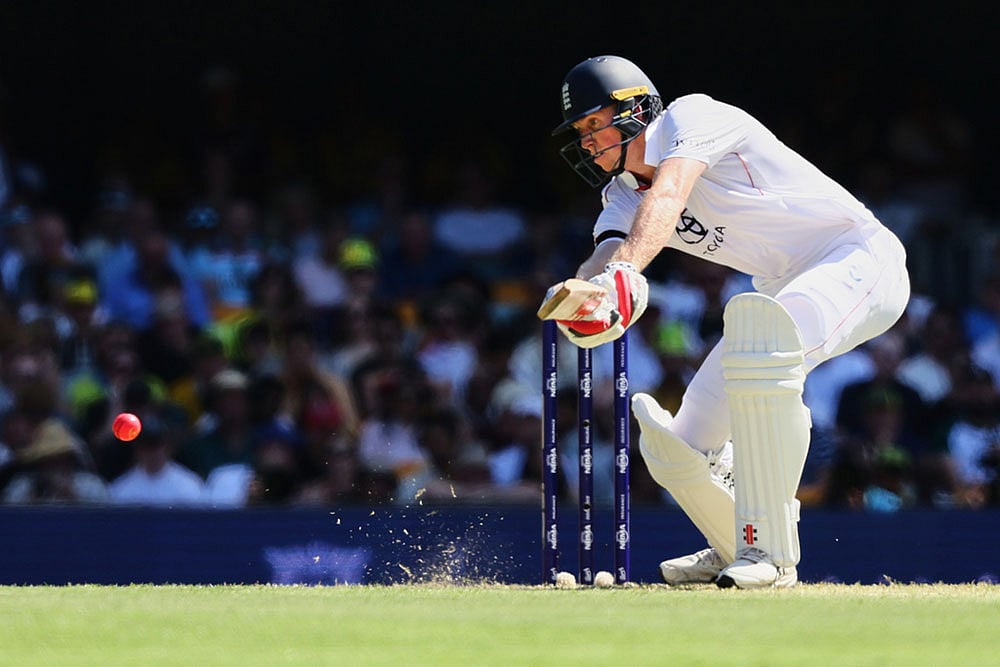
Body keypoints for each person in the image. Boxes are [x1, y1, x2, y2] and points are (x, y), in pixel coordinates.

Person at [546, 55, 910, 588]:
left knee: (763, 347)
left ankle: (771, 554)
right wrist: (587, 296)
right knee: (681, 446)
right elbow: (606, 253)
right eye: (580, 132)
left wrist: (625, 271)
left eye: (594, 123)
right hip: (784, 288)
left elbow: (670, 194)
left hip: (859, 258)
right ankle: (733, 542)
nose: (586, 141)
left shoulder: (691, 117)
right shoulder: (622, 194)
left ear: (635, 111)